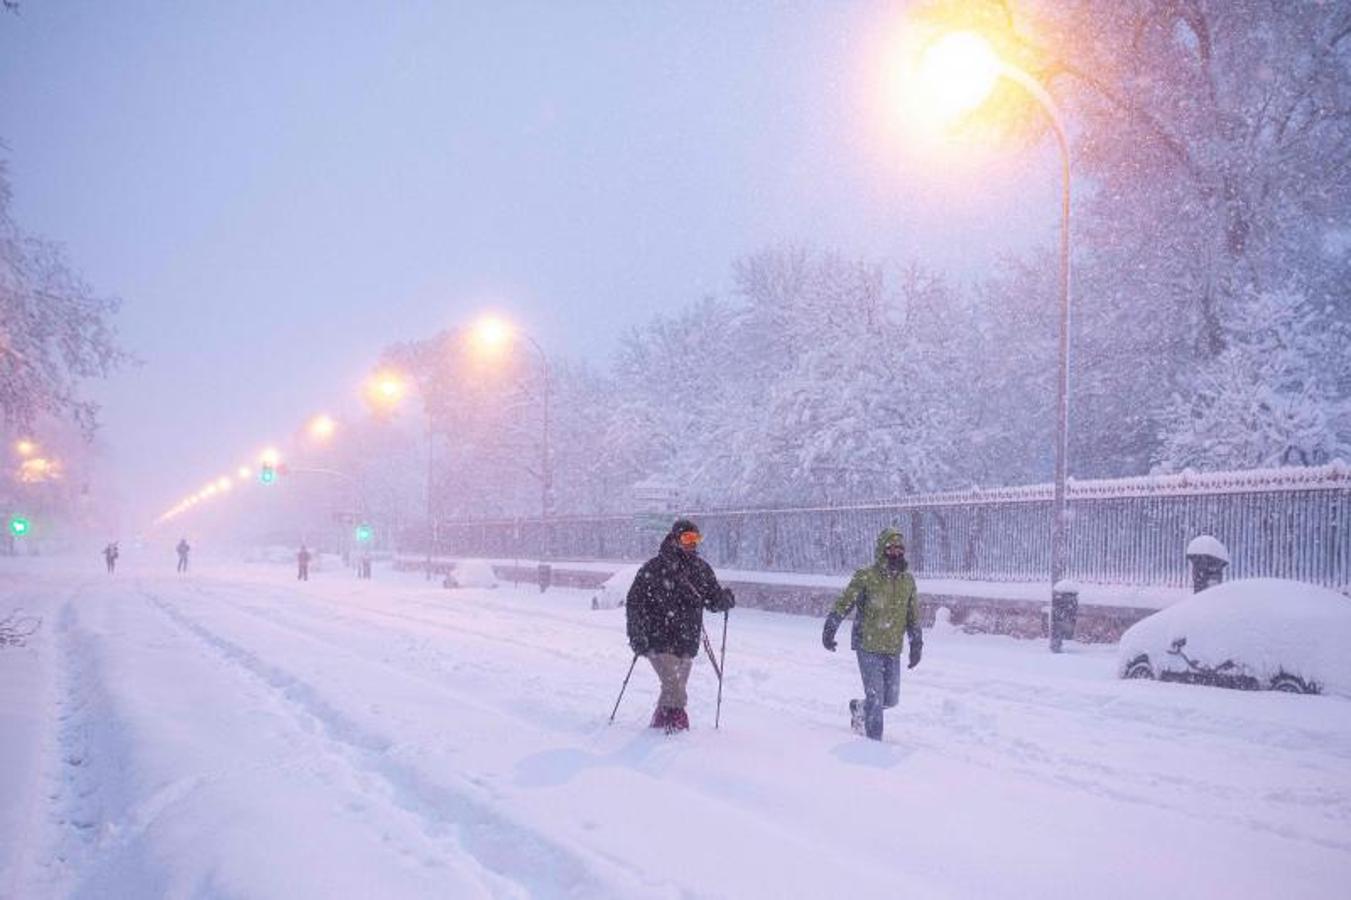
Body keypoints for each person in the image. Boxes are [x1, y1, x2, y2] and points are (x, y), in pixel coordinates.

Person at [625, 518, 735, 733]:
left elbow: (712, 599)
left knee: (674, 687)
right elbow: (634, 603)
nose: (692, 543)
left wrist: (724, 600)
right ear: (675, 539)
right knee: (674, 687)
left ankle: (659, 722)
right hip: (656, 638)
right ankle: (677, 728)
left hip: (686, 640)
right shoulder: (654, 568)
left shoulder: (701, 569)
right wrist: (637, 634)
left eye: (696, 538)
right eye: (687, 538)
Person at [821, 527, 922, 741]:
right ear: (881, 549)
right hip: (867, 645)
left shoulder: (908, 581)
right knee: (876, 698)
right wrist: (831, 625)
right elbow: (845, 601)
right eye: (890, 547)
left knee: (890, 699)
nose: (895, 552)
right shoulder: (866, 576)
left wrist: (916, 644)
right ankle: (874, 747)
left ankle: (859, 708)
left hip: (892, 647)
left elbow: (912, 615)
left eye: (899, 548)